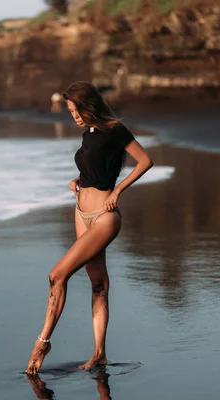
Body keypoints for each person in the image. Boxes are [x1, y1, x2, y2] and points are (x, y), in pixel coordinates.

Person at [25, 81, 154, 375]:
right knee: (98, 284)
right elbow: (94, 168)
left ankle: (43, 342)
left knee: (57, 276)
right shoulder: (90, 134)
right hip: (81, 212)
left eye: (77, 110)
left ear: (90, 105)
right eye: (71, 111)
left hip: (104, 217)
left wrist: (117, 192)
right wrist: (78, 180)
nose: (75, 116)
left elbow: (145, 160)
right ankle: (100, 354)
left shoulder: (114, 130)